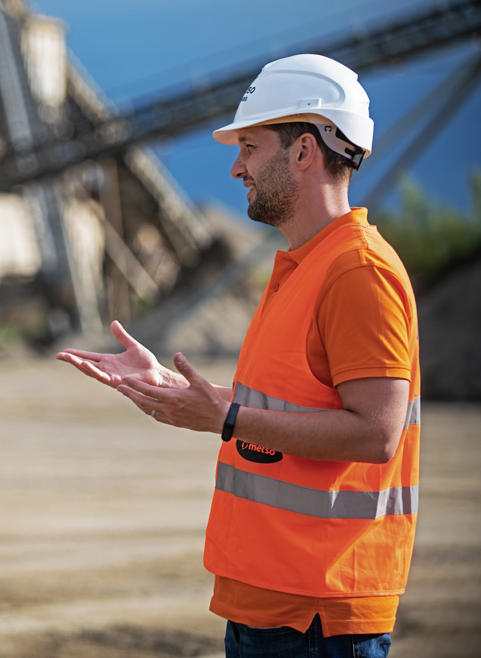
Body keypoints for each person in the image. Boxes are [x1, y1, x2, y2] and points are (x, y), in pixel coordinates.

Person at [58, 54, 419, 658]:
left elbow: (376, 433)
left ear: (304, 151)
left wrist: (227, 419)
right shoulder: (304, 267)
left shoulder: (358, 271)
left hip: (318, 611)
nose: (235, 167)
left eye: (250, 147)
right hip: (274, 599)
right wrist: (178, 389)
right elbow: (284, 408)